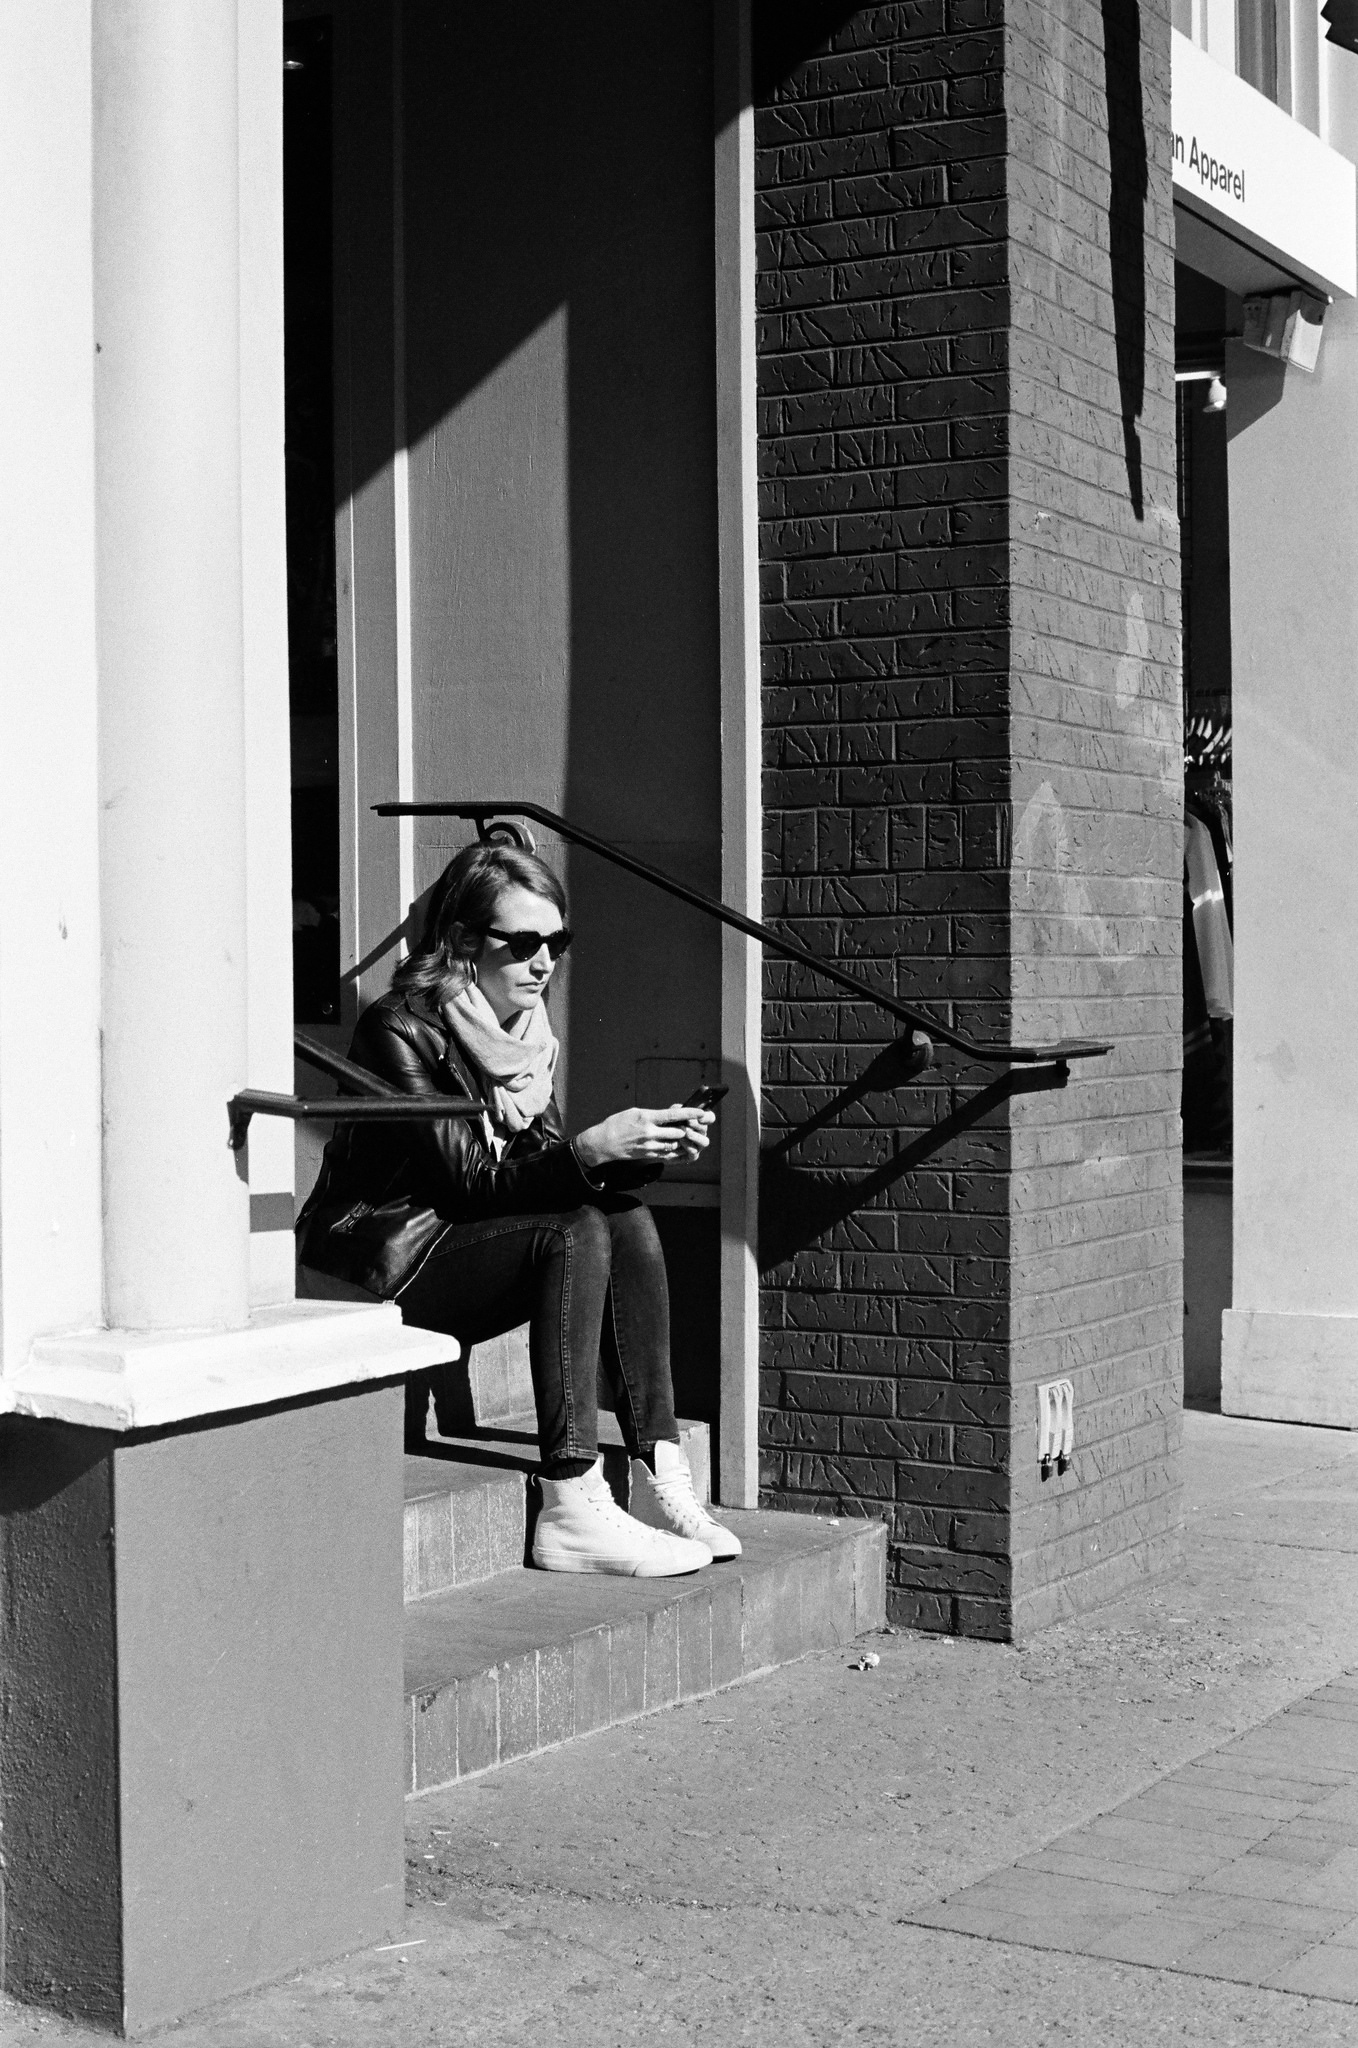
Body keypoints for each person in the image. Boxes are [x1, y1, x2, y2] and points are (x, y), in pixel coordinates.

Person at [297, 839, 741, 1577]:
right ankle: (570, 1498)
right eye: (526, 942)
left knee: (621, 1214)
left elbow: (539, 1173)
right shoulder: (399, 1029)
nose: (545, 962)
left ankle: (663, 1470)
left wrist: (640, 1150)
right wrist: (590, 1151)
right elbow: (470, 1184)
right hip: (382, 1261)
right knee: (573, 1231)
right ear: (464, 943)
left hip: (460, 1244)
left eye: (557, 943)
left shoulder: (526, 1042)